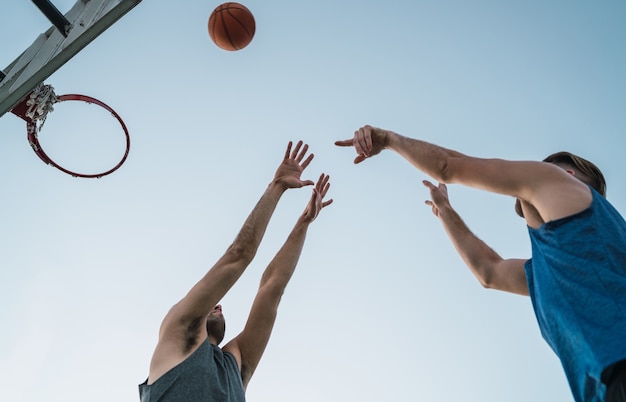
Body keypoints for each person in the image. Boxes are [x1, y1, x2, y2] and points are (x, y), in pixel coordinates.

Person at [336, 125, 626, 402]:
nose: (525, 173)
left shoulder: (556, 182)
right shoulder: (563, 263)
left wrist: (387, 139)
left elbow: (448, 166)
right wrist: (446, 212)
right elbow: (489, 271)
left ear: (568, 174)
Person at [139, 140, 332, 401]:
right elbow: (238, 254)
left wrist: (303, 223)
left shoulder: (236, 365)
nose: (218, 304)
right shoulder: (180, 329)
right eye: (210, 303)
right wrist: (276, 187)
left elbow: (272, 288)